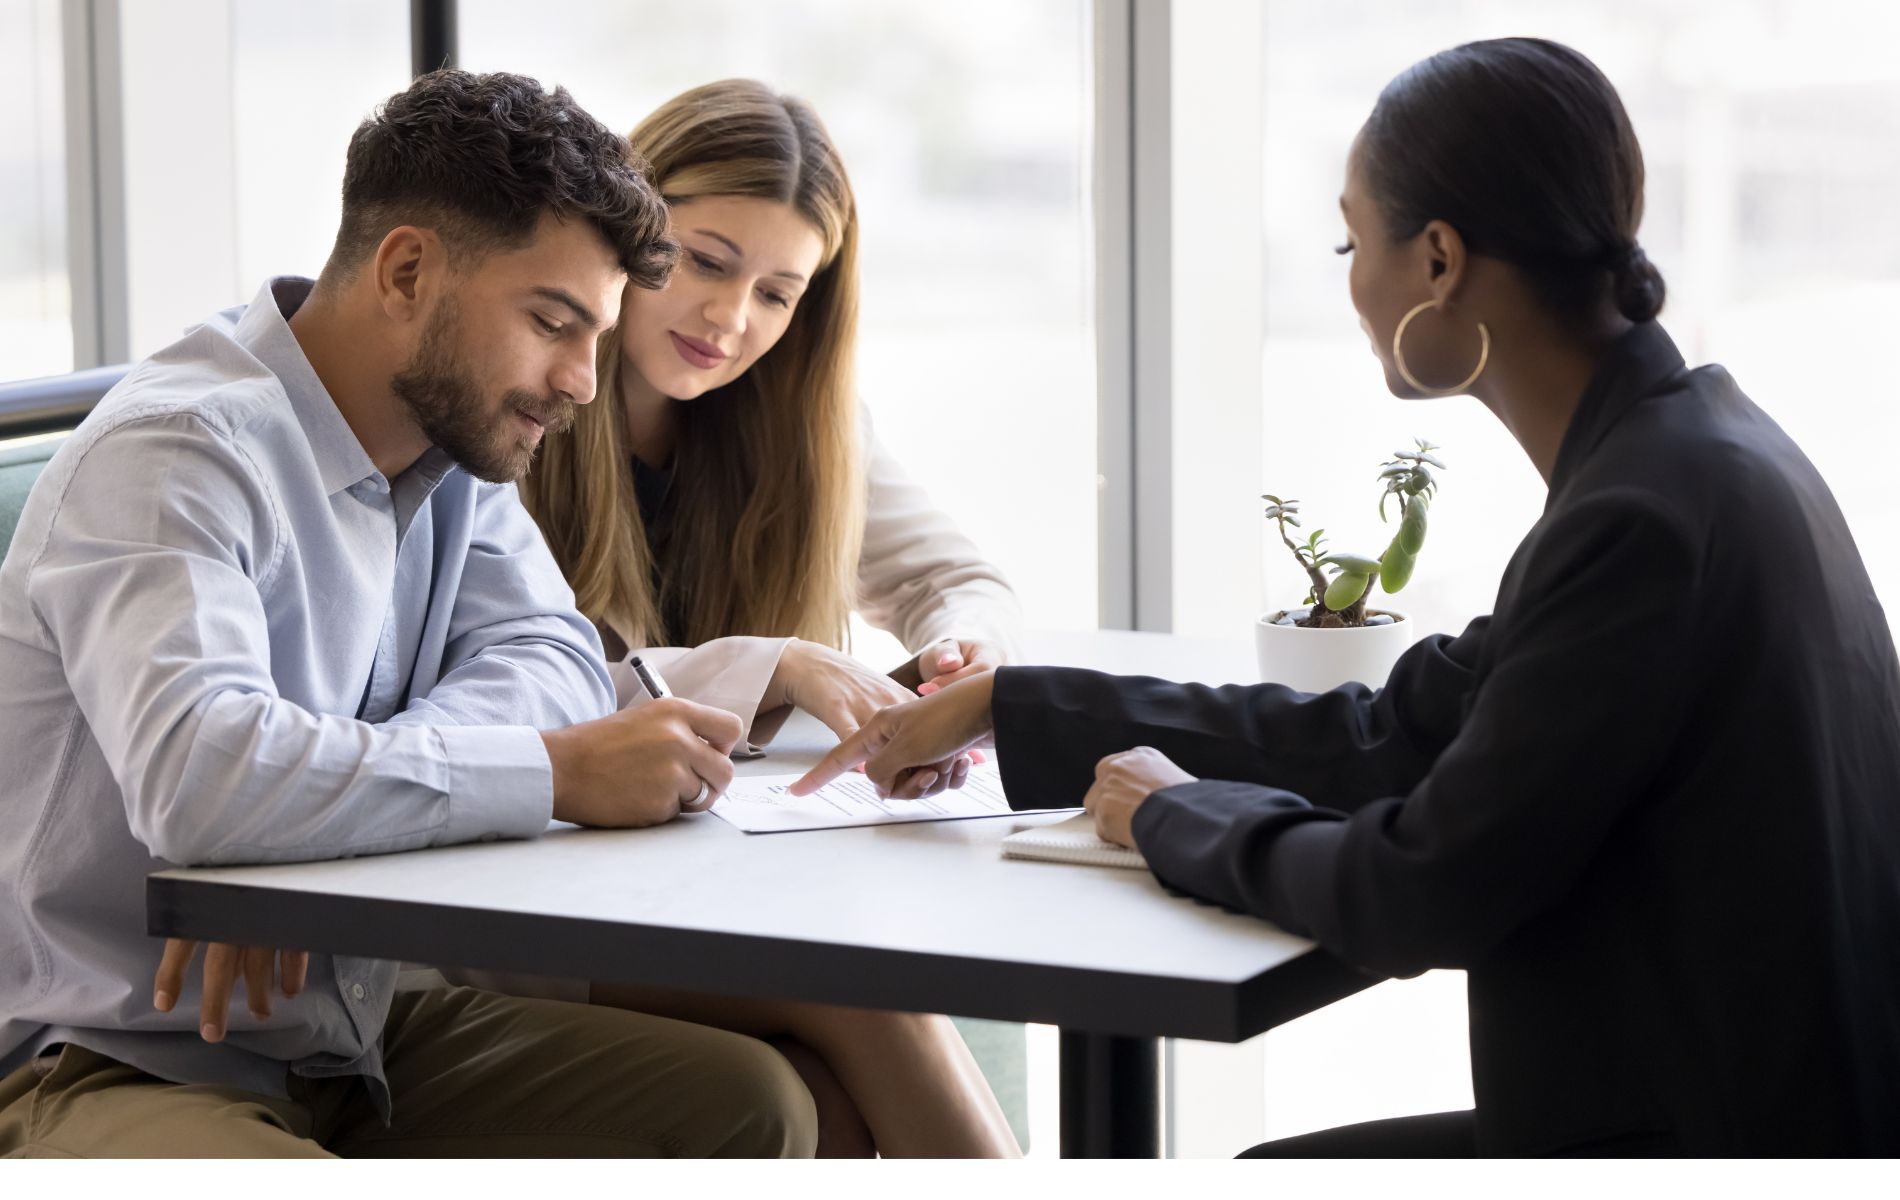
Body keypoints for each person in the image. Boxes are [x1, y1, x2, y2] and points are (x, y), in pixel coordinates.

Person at [793, 38, 1900, 1157]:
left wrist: (1174, 814)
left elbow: (1421, 889)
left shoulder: (1641, 520)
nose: (1350, 284)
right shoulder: (1690, 458)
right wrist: (1009, 704)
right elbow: (1386, 735)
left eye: (1349, 240)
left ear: (1437, 262)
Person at [0, 69, 817, 1158]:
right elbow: (204, 780)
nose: (581, 383)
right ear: (407, 270)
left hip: (341, 1038)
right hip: (101, 1053)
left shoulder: (457, 443)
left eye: (595, 335)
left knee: (753, 1104)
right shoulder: (178, 452)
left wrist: (300, 835)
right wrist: (556, 771)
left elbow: (555, 656)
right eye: (552, 322)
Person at [496, 79, 1023, 1158]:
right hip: (521, 898)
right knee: (865, 996)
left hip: (705, 883)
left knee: (823, 1111)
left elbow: (958, 578)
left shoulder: (801, 423)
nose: (731, 322)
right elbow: (523, 700)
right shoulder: (514, 408)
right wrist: (773, 665)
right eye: (706, 260)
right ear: (626, 231)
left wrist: (967, 659)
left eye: (780, 294)